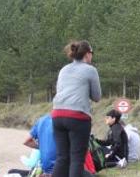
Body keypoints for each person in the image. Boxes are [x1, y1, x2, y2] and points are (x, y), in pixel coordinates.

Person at [51, 40, 102, 177]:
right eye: (92, 53)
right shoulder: (91, 70)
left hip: (57, 115)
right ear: (87, 54)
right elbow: (97, 97)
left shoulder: (64, 69)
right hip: (77, 117)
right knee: (77, 159)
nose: (92, 56)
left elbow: (60, 91)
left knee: (62, 157)